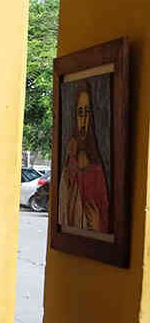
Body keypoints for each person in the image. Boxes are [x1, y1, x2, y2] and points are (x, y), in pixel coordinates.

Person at [58, 87, 110, 233]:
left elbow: (104, 210)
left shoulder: (96, 166)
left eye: (87, 112)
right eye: (80, 113)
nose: (84, 120)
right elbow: (63, 205)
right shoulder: (70, 158)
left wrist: (97, 223)